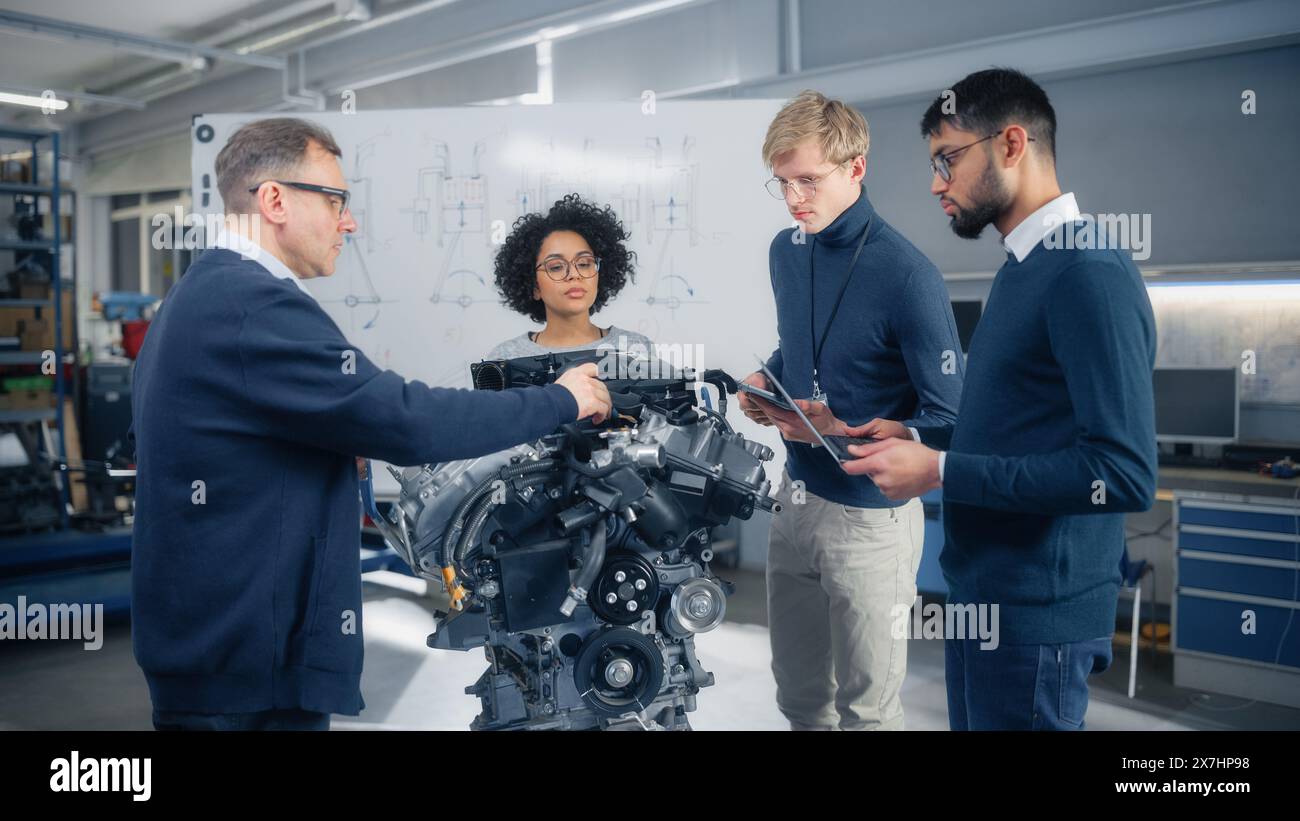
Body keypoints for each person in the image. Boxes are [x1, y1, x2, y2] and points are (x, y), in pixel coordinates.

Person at [131, 117, 611, 731]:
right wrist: (560, 401)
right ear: (274, 199)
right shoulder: (251, 304)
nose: (348, 221)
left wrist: (325, 451)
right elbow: (403, 419)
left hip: (220, 644)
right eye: (336, 201)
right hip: (242, 661)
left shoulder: (200, 293)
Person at [844, 68, 1157, 730]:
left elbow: (1122, 472)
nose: (935, 182)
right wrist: (918, 438)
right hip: (985, 598)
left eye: (948, 159)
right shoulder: (1023, 268)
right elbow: (1014, 428)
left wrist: (940, 471)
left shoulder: (1087, 272)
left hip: (1036, 616)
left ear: (1012, 143)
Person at [737, 90, 964, 730]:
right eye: (781, 183)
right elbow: (802, 346)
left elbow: (949, 415)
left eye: (808, 180)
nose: (793, 199)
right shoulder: (788, 250)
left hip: (871, 524)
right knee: (800, 702)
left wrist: (841, 428)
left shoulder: (908, 275)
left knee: (865, 714)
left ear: (856, 167)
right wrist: (767, 379)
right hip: (795, 500)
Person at [486, 193, 653, 362]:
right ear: (534, 286)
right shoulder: (505, 359)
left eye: (584, 263)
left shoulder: (635, 348)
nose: (574, 275)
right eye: (556, 267)